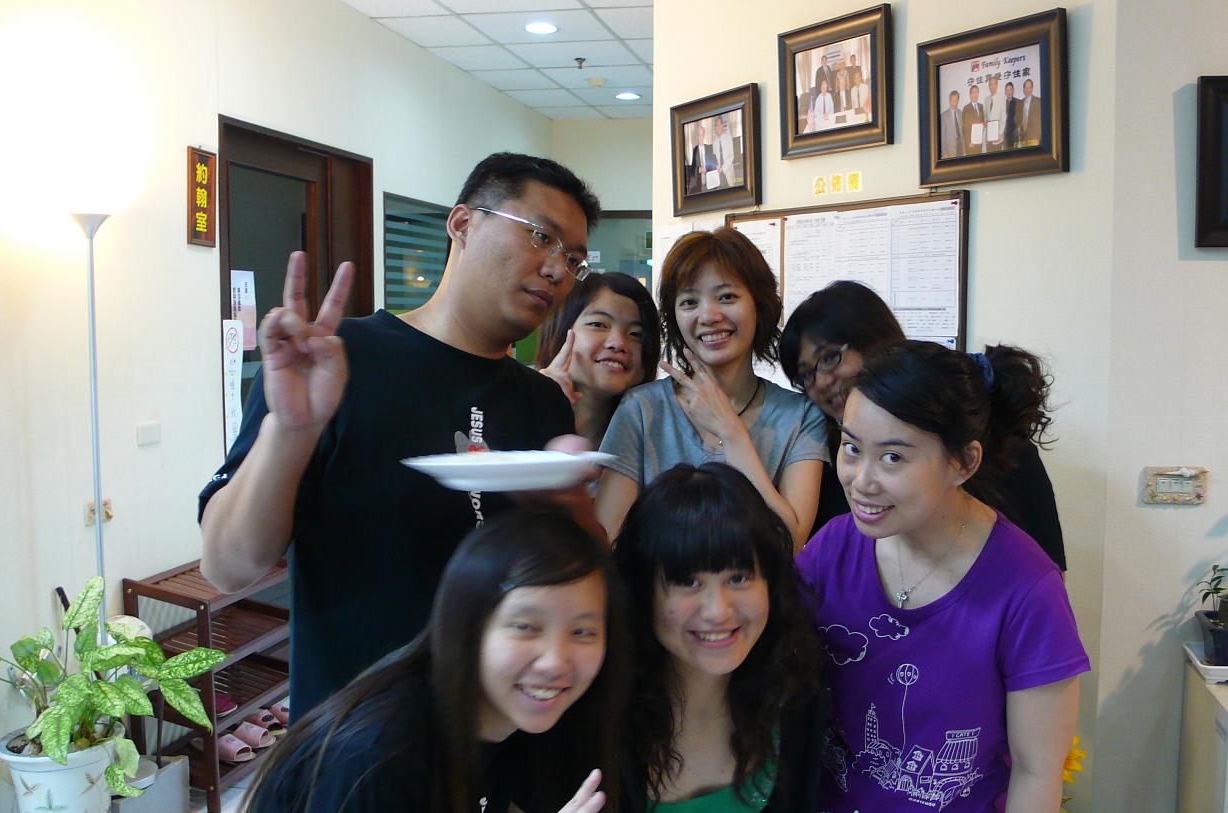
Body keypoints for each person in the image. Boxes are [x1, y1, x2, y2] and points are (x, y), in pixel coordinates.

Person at [198, 153, 602, 713]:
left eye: (574, 258)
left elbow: (576, 581)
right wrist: (292, 429)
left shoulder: (543, 402)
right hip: (352, 745)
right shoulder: (338, 358)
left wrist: (570, 501)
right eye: (541, 237)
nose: (558, 270)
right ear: (462, 224)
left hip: (498, 740)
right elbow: (227, 567)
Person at [799, 341, 1090, 813]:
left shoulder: (1026, 588)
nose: (861, 479)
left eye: (894, 457)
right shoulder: (830, 551)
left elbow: (1038, 770)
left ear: (964, 462)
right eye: (852, 447)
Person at [221, 510, 628, 813]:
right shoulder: (373, 754)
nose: (556, 661)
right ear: (467, 624)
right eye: (525, 627)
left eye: (583, 631)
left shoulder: (540, 724)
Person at [506, 464, 826, 813]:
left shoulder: (786, 691)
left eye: (739, 577)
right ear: (643, 591)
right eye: (687, 582)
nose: (718, 610)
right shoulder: (587, 703)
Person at [777, 281, 1067, 570]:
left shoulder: (1000, 446)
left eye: (829, 358)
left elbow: (1046, 578)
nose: (822, 382)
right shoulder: (825, 461)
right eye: (806, 374)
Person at [596, 227, 827, 548]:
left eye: (727, 296)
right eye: (689, 301)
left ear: (759, 306)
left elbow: (790, 544)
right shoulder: (642, 409)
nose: (709, 315)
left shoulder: (800, 416)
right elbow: (609, 541)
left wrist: (731, 434)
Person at [535, 271, 661, 446]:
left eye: (635, 334)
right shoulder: (518, 406)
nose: (618, 343)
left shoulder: (655, 437)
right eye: (598, 324)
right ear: (560, 330)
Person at [940, 89, 965, 159]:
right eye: (952, 100)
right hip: (950, 151)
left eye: (956, 100)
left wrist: (964, 150)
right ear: (949, 101)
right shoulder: (944, 116)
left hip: (961, 150)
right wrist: (944, 153)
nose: (954, 103)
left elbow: (962, 133)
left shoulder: (961, 113)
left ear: (958, 101)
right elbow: (942, 137)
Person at [809, 69, 836, 133]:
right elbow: (815, 113)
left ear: (827, 87)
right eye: (822, 85)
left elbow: (832, 109)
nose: (824, 87)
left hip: (829, 119)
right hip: (821, 120)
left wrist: (828, 115)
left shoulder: (829, 96)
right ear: (820, 87)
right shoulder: (818, 98)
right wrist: (822, 116)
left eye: (825, 85)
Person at [963, 83, 986, 155]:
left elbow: (982, 123)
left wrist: (984, 126)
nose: (975, 94)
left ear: (978, 93)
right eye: (973, 92)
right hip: (970, 144)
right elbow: (964, 128)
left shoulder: (981, 106)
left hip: (979, 142)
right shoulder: (966, 108)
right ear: (970, 94)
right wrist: (969, 141)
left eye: (977, 92)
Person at [983, 74, 1005, 152]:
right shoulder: (986, 99)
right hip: (989, 137)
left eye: (994, 84)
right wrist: (985, 121)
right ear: (989, 86)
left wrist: (1000, 133)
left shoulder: (1002, 98)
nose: (992, 86)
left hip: (998, 138)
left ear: (997, 85)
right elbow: (986, 115)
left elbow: (1003, 117)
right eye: (990, 84)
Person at [1019, 78, 1044, 146]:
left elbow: (1042, 122)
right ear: (1023, 88)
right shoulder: (1020, 103)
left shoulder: (1038, 102)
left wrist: (1041, 139)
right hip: (1022, 140)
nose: (1027, 90)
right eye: (1025, 88)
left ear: (1032, 88)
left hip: (1035, 140)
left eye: (1029, 87)